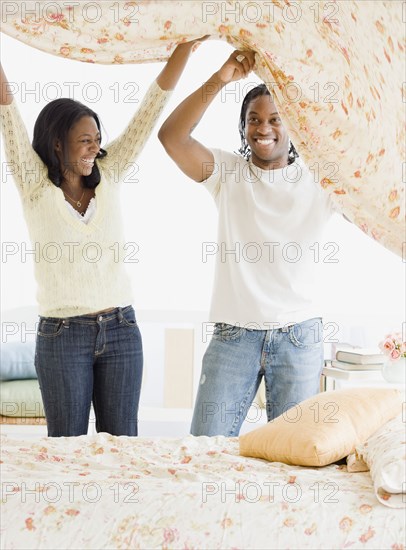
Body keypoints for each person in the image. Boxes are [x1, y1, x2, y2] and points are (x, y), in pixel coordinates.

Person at [0, 38, 204, 437]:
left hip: (122, 329)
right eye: (85, 141)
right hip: (62, 336)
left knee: (123, 448)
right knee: (68, 450)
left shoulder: (109, 173)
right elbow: (7, 113)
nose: (96, 147)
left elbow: (149, 111)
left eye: (98, 138)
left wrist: (184, 49)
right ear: (57, 144)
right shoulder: (34, 184)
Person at [158, 49, 335, 436]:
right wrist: (220, 79)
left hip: (298, 335)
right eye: (253, 120)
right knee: (205, 448)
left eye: (275, 119)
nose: (263, 128)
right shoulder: (227, 173)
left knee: (295, 457)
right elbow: (171, 137)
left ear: (293, 127)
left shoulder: (319, 180)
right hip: (234, 335)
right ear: (243, 128)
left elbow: (372, 185)